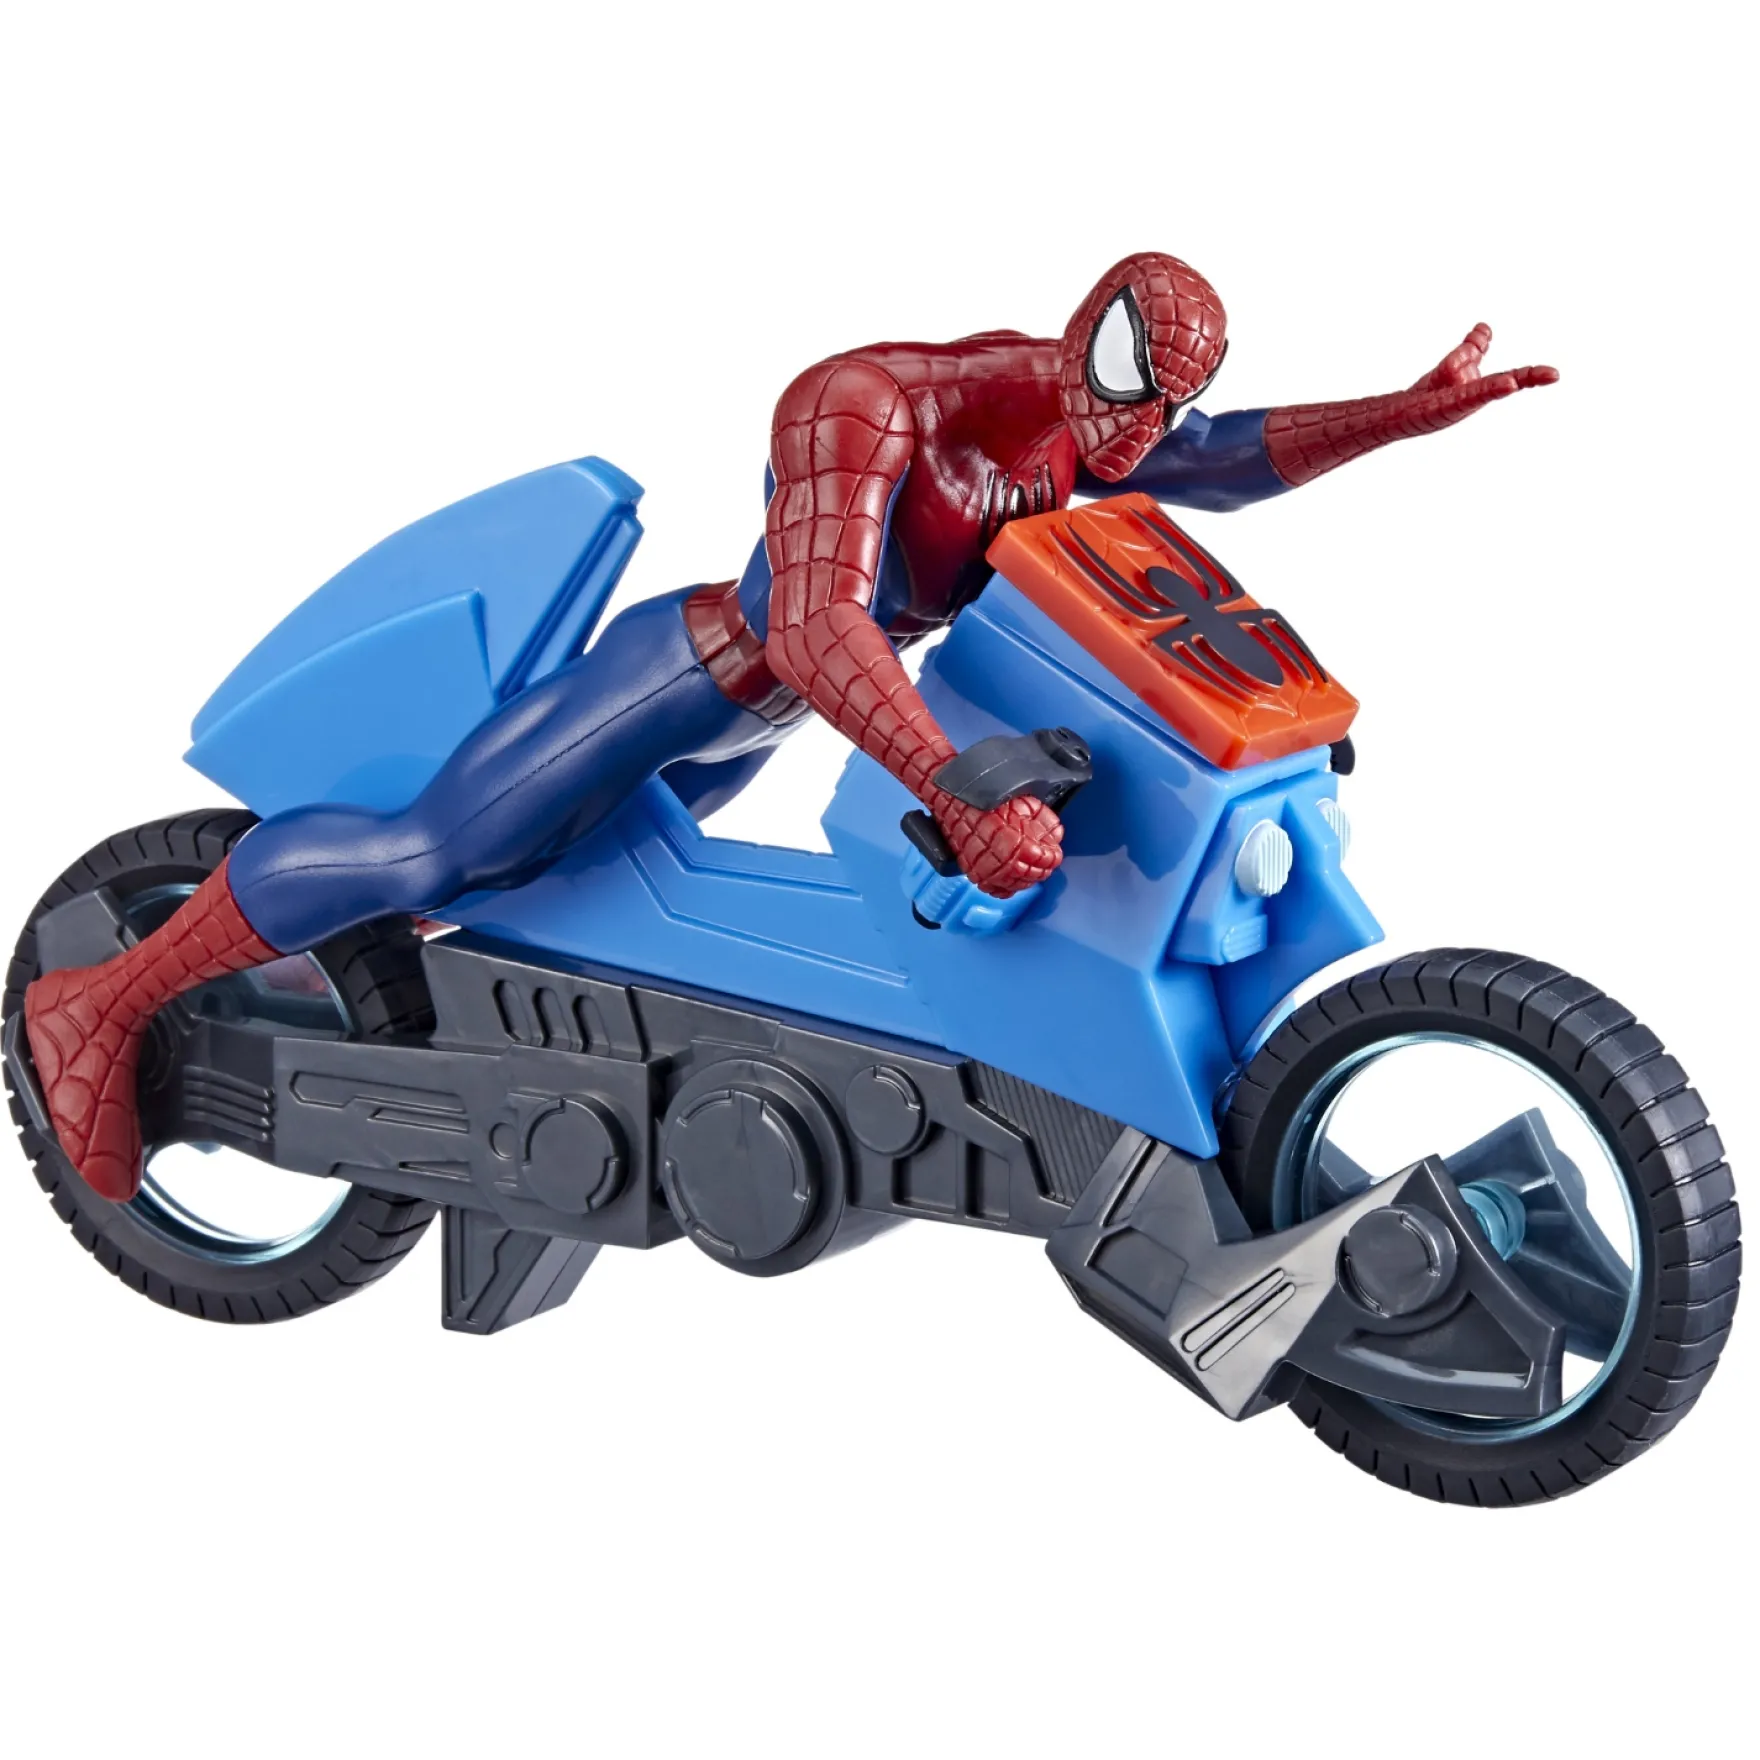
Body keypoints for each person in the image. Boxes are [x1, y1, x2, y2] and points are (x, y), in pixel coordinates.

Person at [24, 251, 1555, 1200]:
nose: (1137, 433)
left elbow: (1214, 461)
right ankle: (102, 1003)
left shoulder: (1101, 434)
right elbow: (820, 628)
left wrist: (1399, 413)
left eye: (1158, 408)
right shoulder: (874, 402)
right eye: (1127, 388)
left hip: (779, 721)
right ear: (1089, 326)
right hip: (705, 671)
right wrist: (957, 785)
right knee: (437, 855)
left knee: (594, 912)